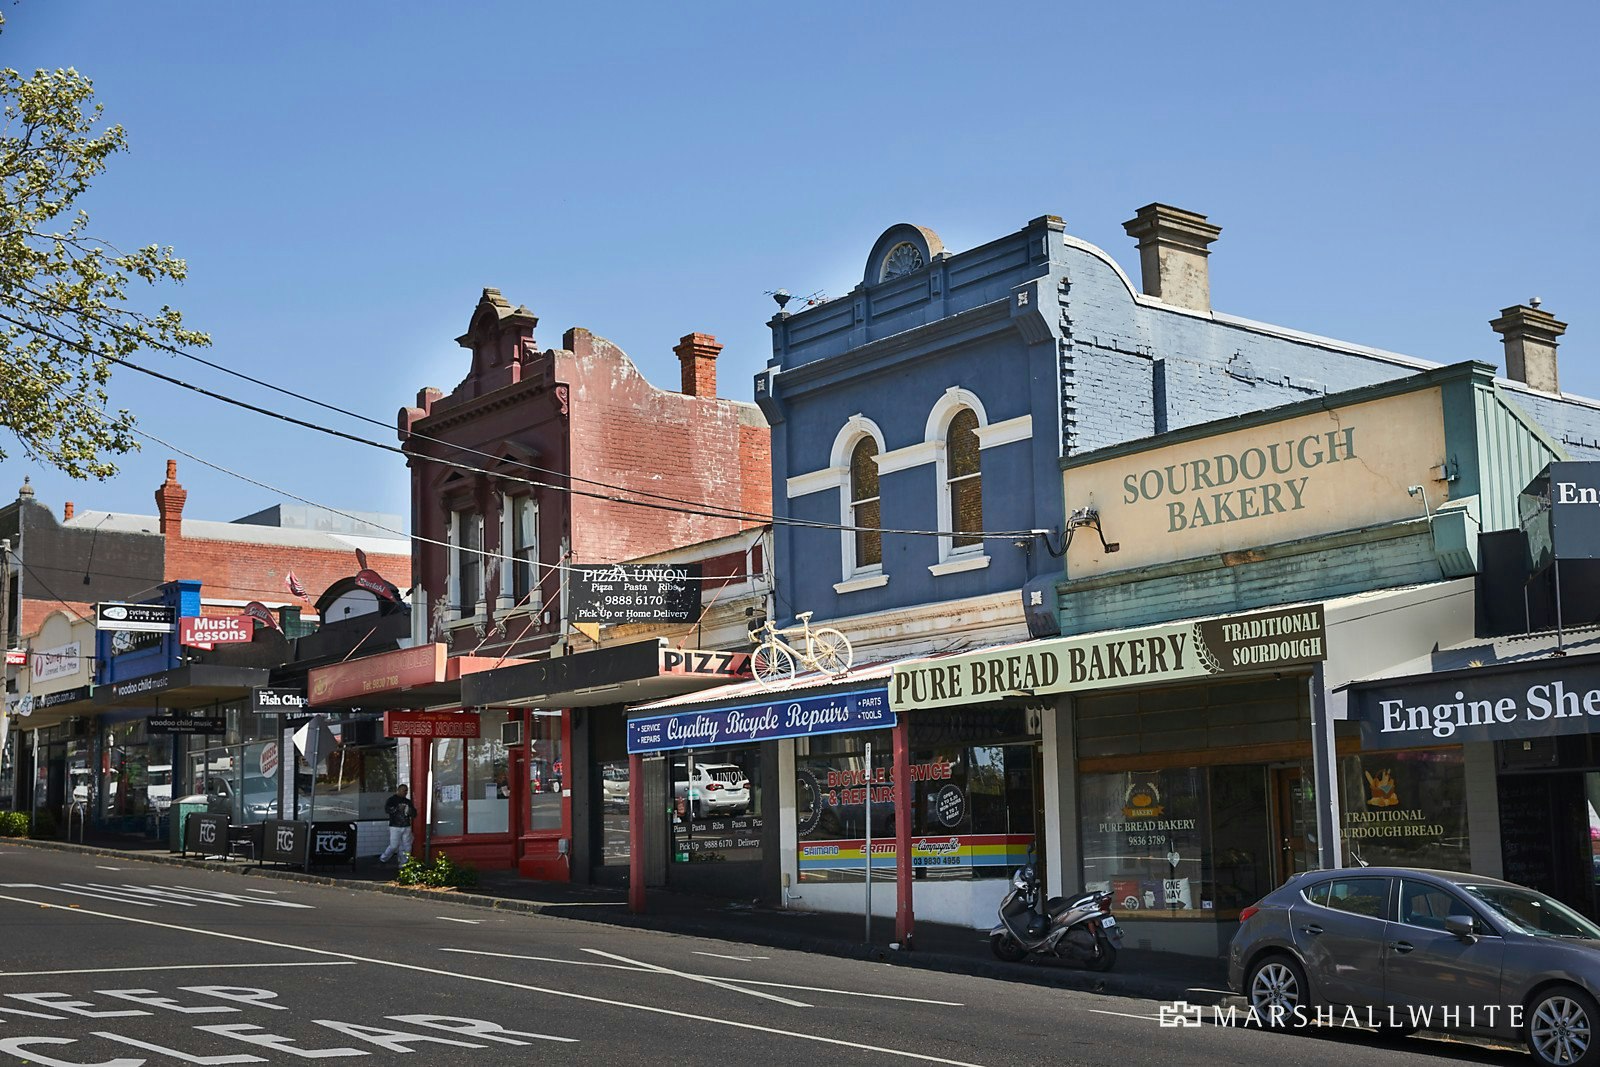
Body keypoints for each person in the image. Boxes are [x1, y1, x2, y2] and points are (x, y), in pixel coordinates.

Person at [379, 784, 417, 865]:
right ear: (398, 790)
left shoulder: (408, 801)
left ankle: (403, 863)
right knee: (394, 846)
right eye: (404, 790)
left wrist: (410, 811)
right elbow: (387, 810)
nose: (405, 792)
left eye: (406, 790)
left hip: (406, 826)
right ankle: (383, 858)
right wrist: (397, 808)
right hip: (395, 826)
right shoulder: (392, 800)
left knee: (407, 846)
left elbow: (414, 813)